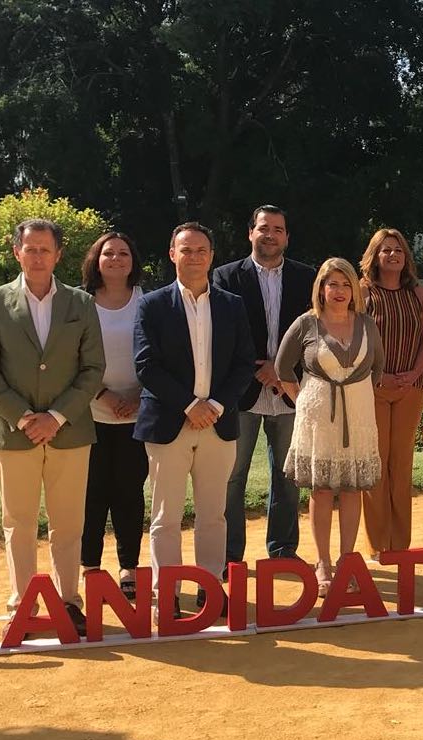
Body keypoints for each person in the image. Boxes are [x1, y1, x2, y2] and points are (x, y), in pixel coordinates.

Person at [0, 218, 105, 639]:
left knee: (69, 524)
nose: (38, 256)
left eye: (45, 249)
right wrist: (27, 418)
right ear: (17, 252)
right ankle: (22, 606)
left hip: (71, 431)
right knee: (20, 523)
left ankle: (69, 601)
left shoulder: (81, 303)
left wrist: (57, 417)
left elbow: (93, 368)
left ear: (58, 254)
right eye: (30, 249)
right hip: (15, 433)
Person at [134, 223, 256, 617]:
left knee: (213, 514)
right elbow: (146, 365)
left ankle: (211, 590)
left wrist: (215, 405)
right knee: (165, 516)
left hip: (218, 424)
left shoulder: (232, 305)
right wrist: (190, 405)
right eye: (186, 250)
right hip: (169, 424)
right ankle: (165, 594)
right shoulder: (152, 305)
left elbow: (242, 364)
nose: (195, 257)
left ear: (212, 255)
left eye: (202, 250)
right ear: (172, 254)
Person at [275, 258, 385, 595]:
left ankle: (346, 560)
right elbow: (283, 368)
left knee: (352, 488)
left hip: (359, 416)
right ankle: (322, 562)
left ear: (355, 289)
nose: (339, 291)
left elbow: (377, 368)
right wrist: (304, 402)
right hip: (318, 420)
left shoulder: (367, 324)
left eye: (345, 283)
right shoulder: (306, 323)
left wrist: (357, 396)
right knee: (321, 490)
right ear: (321, 288)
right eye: (332, 283)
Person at [213, 205, 314, 565]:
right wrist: (260, 368)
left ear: (286, 236)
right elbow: (221, 334)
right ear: (250, 233)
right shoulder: (225, 277)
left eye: (277, 229)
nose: (270, 234)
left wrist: (283, 370)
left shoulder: (308, 278)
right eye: (263, 228)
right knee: (231, 476)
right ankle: (228, 555)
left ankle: (283, 551)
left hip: (290, 392)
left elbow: (315, 333)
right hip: (242, 392)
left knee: (288, 476)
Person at [79, 231, 148, 601]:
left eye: (124, 253)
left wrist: (137, 396)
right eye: (109, 253)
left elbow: (158, 355)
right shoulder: (80, 303)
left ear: (133, 260)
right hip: (90, 413)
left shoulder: (147, 302)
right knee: (92, 494)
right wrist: (104, 395)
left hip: (137, 414)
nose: (116, 259)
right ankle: (90, 566)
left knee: (129, 494)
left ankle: (129, 568)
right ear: (97, 259)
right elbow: (71, 358)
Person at [360, 228, 423, 559]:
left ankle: (400, 545)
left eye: (398, 250)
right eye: (386, 250)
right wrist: (380, 377)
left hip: (411, 388)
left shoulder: (416, 292)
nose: (393, 255)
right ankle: (377, 545)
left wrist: (414, 373)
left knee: (401, 465)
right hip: (372, 389)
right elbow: (355, 341)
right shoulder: (363, 291)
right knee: (376, 466)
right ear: (374, 255)